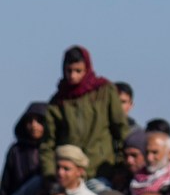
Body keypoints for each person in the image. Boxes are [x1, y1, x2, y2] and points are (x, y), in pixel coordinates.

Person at [40, 47, 129, 183]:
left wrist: (121, 165)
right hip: (68, 176)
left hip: (102, 170)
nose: (73, 76)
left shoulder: (104, 91)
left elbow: (121, 129)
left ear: (87, 69)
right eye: (69, 71)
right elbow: (48, 144)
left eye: (78, 71)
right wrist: (50, 175)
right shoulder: (57, 102)